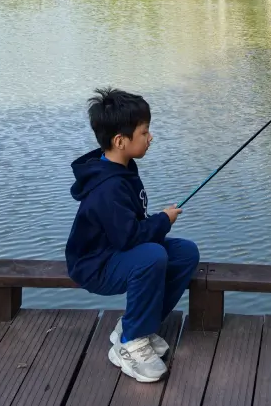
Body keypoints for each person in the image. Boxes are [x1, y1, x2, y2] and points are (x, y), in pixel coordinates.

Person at [65, 88, 199, 383]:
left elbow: (130, 227)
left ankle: (134, 325)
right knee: (152, 256)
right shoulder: (107, 187)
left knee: (186, 253)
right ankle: (130, 345)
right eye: (144, 132)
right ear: (120, 141)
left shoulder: (123, 169)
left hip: (116, 250)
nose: (150, 137)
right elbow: (129, 239)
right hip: (95, 264)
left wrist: (159, 221)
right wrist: (163, 220)